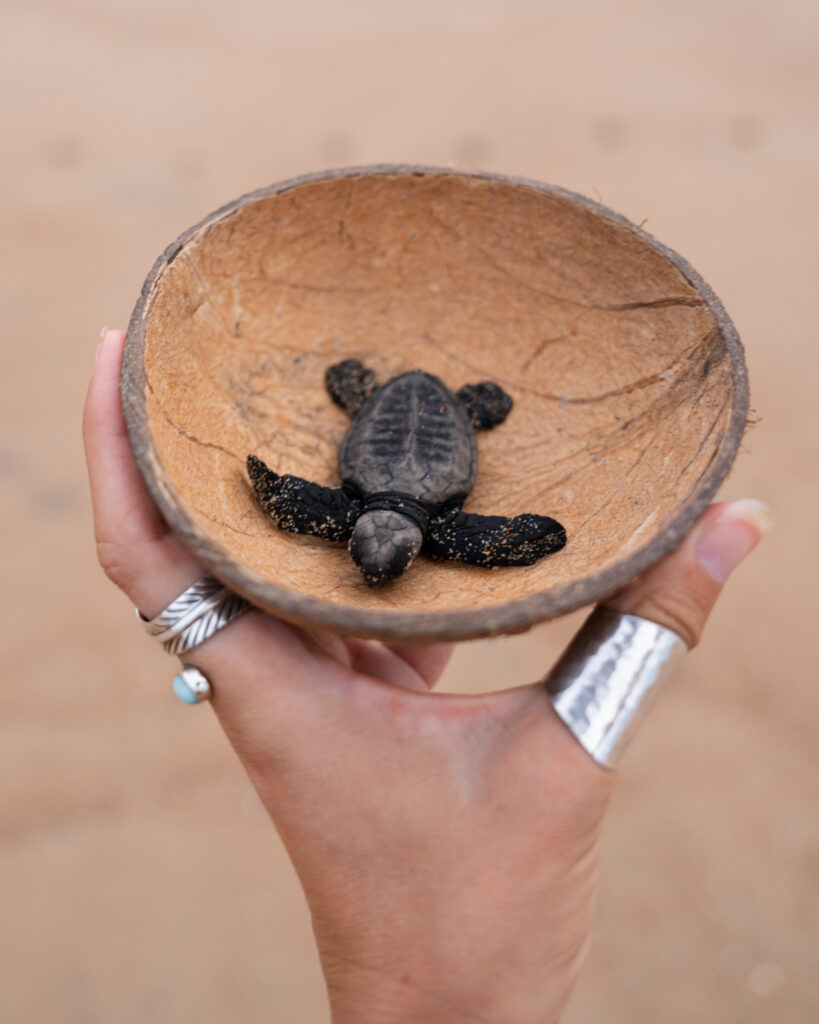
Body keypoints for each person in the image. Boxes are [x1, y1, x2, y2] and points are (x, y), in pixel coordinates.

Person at [84, 328, 771, 1023]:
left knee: (329, 502)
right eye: (369, 559)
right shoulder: (433, 522)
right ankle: (410, 402)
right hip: (416, 439)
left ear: (398, 544)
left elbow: (302, 498)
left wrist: (266, 497)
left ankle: (420, 402)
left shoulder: (408, 519)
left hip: (405, 423)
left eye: (381, 561)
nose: (370, 566)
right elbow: (531, 535)